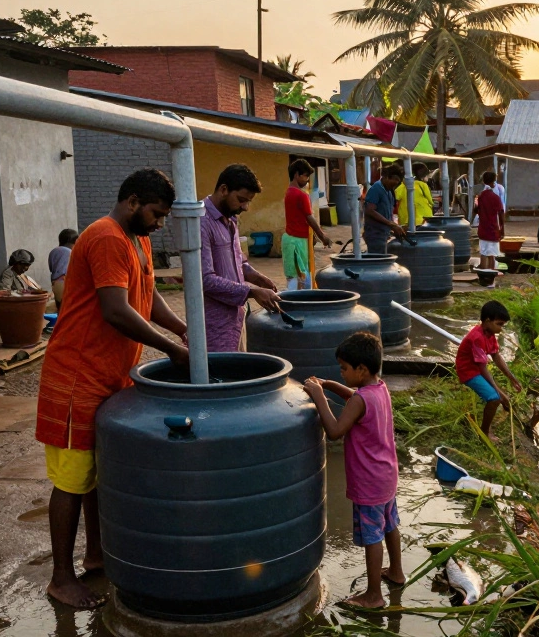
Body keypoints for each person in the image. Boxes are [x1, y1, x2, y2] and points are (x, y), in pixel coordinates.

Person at [36, 169, 190, 609]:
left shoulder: (136, 237)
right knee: (71, 480)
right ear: (132, 201)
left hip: (109, 374)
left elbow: (147, 294)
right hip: (77, 376)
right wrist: (172, 351)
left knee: (96, 475)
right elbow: (116, 311)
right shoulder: (106, 237)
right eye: (156, 214)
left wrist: (183, 330)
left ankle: (96, 555)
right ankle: (61, 578)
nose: (159, 224)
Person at [301, 332, 403, 608]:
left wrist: (319, 396)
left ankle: (373, 596)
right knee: (390, 524)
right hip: (387, 476)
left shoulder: (360, 400)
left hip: (369, 482)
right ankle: (396, 572)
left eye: (344, 369)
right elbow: (356, 398)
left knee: (373, 536)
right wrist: (331, 385)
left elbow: (334, 431)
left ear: (362, 369)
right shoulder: (379, 389)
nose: (342, 373)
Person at [201, 164, 282, 352]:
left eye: (248, 201)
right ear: (223, 190)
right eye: (241, 200)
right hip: (214, 324)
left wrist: (256, 277)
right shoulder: (201, 222)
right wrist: (252, 292)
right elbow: (204, 279)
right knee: (223, 377)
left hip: (236, 319)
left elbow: (239, 260)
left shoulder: (230, 219)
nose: (245, 207)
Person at [456, 300, 522, 436]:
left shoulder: (490, 335)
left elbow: (497, 357)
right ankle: (484, 432)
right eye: (499, 324)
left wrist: (512, 379)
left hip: (477, 370)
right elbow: (482, 369)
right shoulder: (477, 338)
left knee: (499, 396)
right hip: (468, 372)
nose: (501, 328)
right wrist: (500, 393)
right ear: (487, 320)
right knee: (494, 398)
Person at [283, 160, 334, 290]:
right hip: (298, 241)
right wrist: (323, 236)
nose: (307, 180)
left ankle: (292, 301)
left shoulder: (289, 192)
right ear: (296, 175)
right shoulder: (301, 195)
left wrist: (313, 236)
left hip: (290, 239)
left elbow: (299, 217)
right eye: (305, 176)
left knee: (293, 277)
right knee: (302, 277)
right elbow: (309, 218)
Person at [363, 164, 408, 254]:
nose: (396, 184)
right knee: (378, 262)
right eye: (395, 181)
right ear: (387, 177)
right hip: (375, 234)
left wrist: (394, 227)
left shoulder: (389, 191)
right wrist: (391, 224)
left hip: (384, 233)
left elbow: (388, 212)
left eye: (398, 182)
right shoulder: (376, 189)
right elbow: (370, 210)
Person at [475, 171, 504, 270]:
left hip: (483, 229)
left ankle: (483, 277)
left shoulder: (480, 197)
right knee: (492, 256)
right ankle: (491, 279)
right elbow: (501, 214)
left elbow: (477, 210)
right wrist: (502, 229)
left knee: (483, 254)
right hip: (493, 230)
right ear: (493, 182)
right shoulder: (496, 198)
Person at [394, 161, 434, 225]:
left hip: (406, 221)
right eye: (427, 175)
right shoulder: (423, 185)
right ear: (422, 175)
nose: (428, 177)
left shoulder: (403, 186)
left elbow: (395, 197)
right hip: (423, 220)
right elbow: (431, 201)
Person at [48, 230, 77, 311]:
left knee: (60, 310)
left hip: (55, 283)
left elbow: (51, 268)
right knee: (68, 310)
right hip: (64, 282)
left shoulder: (53, 252)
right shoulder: (68, 252)